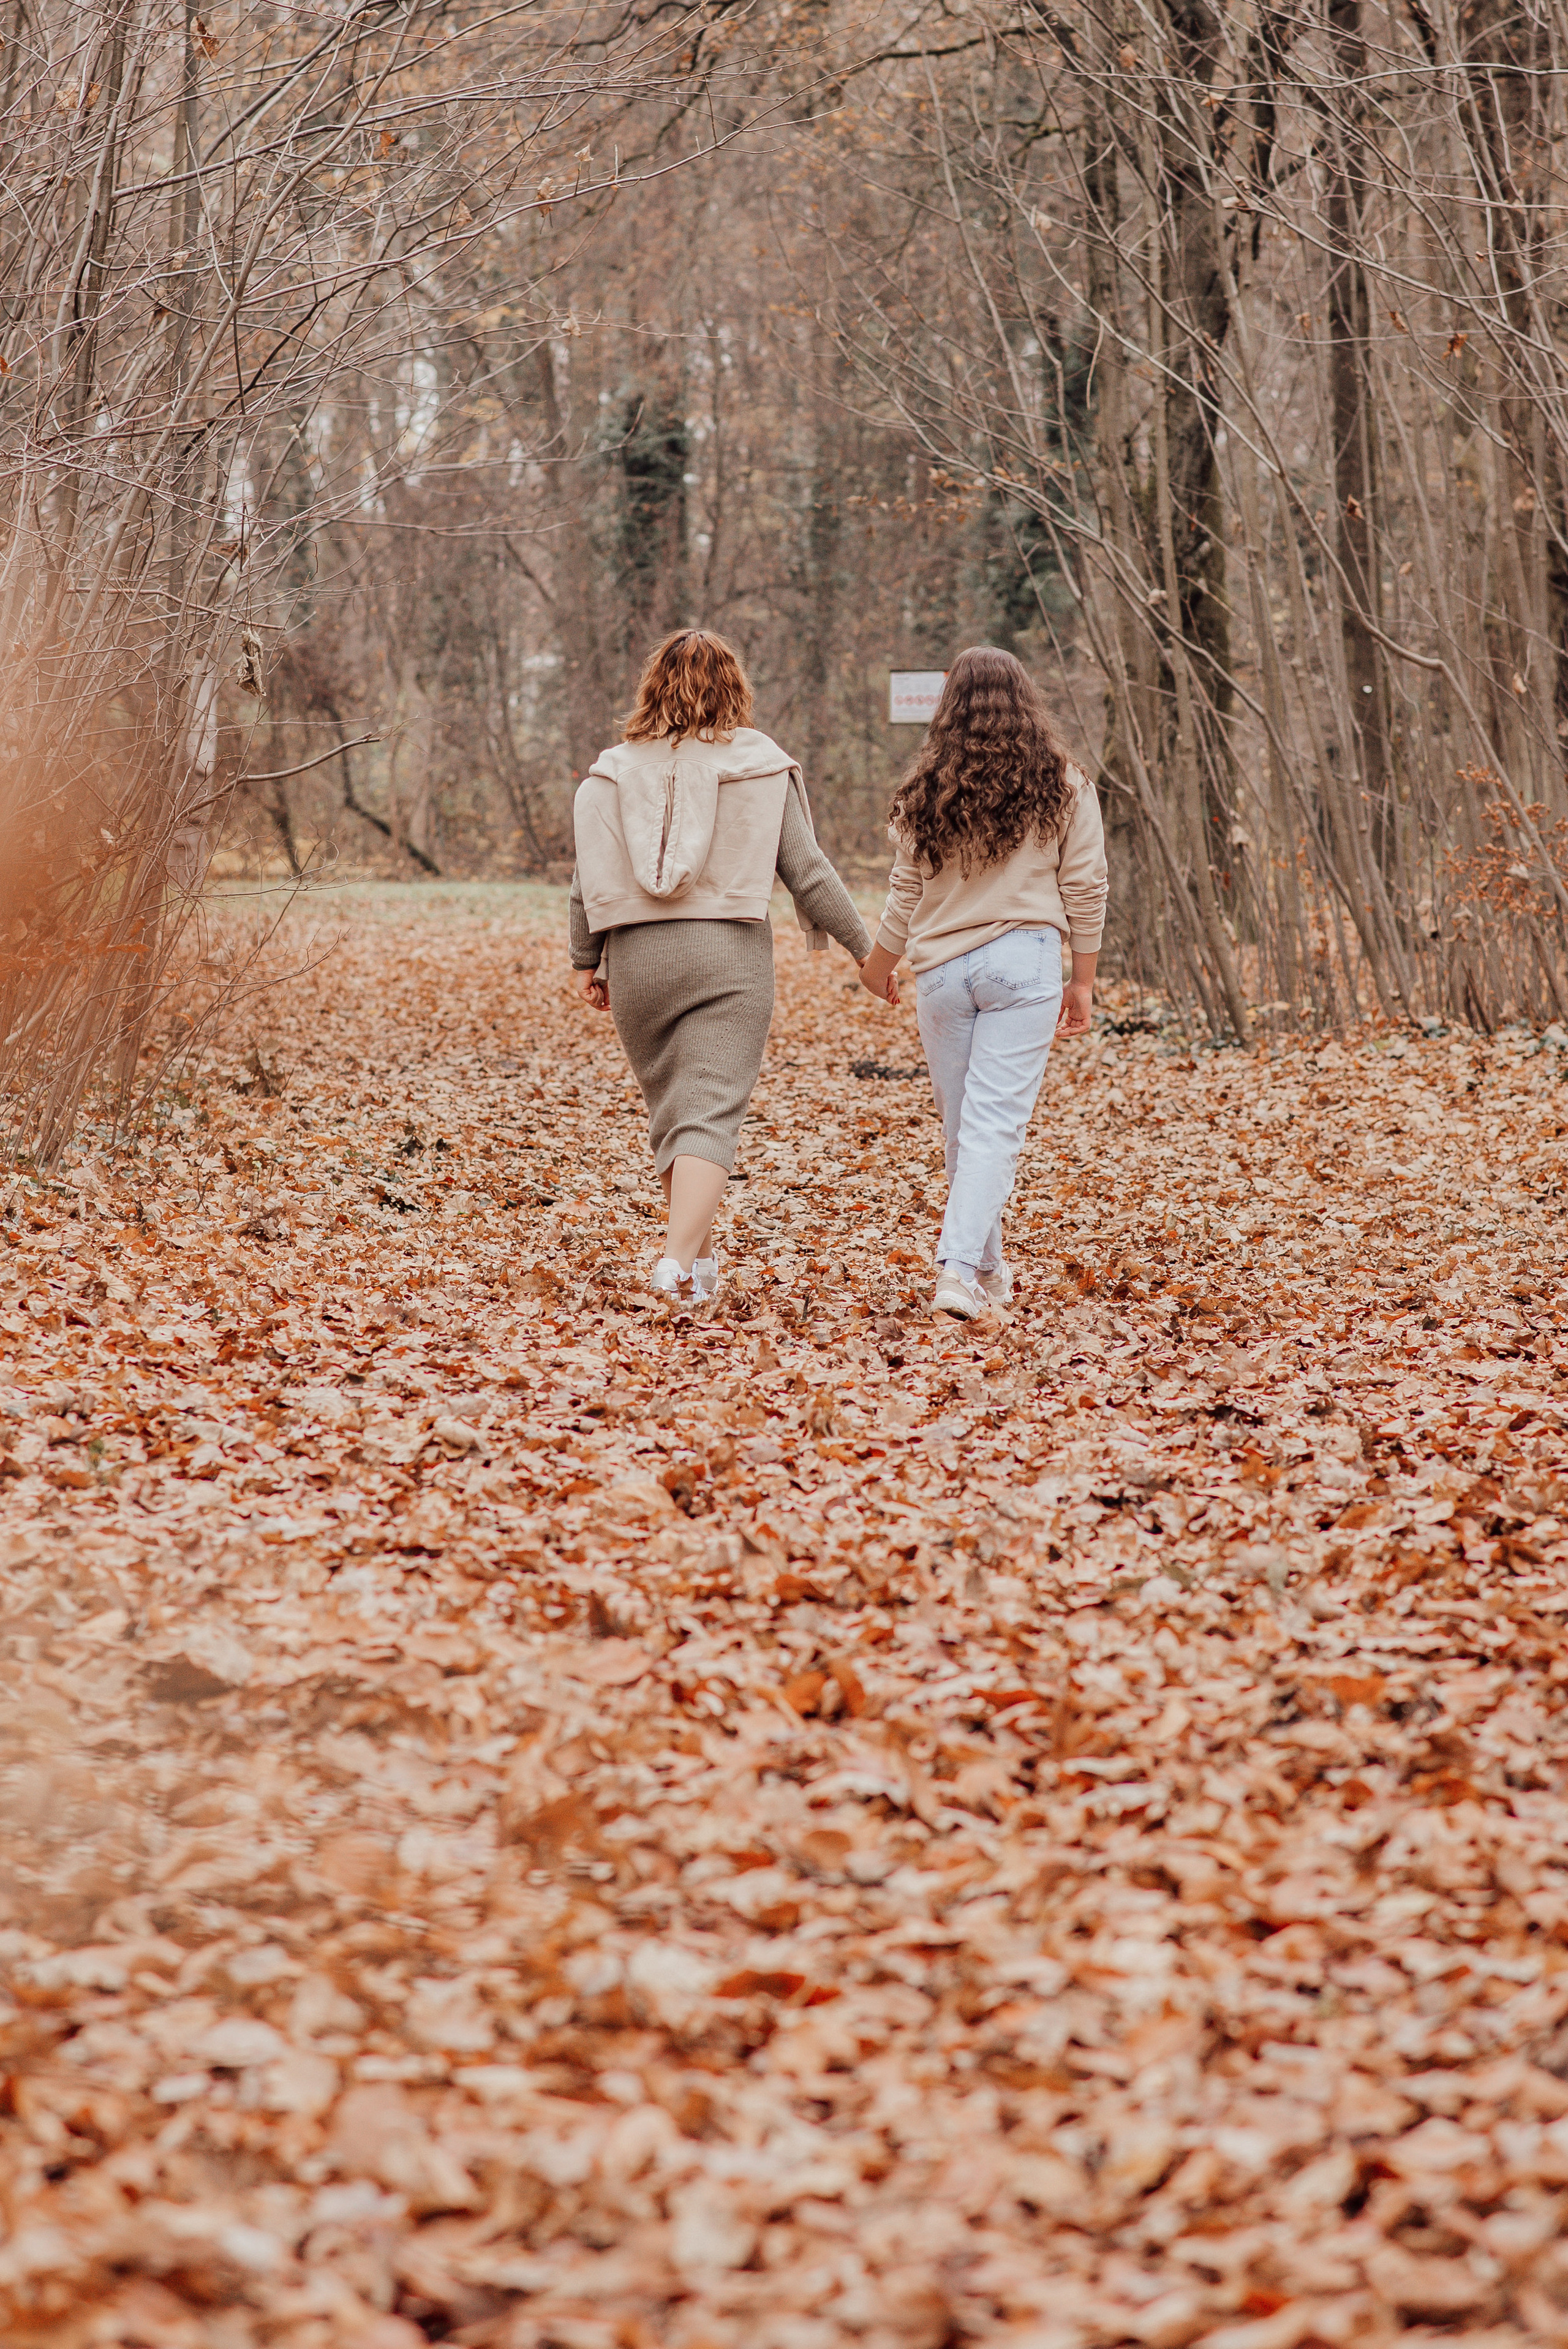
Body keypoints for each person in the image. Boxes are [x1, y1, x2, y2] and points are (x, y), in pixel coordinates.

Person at [570, 629, 884, 1301]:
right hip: (727, 957)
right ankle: (674, 1264)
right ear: (735, 687)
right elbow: (808, 870)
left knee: (674, 1114)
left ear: (652, 686)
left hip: (636, 960)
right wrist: (866, 947)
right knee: (707, 1114)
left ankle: (700, 1271)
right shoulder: (761, 764)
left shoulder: (612, 771)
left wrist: (584, 959)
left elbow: (584, 874)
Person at [858, 646, 1107, 1322]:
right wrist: (1081, 979)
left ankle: (986, 1272)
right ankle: (962, 1270)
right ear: (1026, 701)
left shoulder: (926, 789)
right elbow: (1085, 887)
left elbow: (904, 891)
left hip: (942, 969)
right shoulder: (1064, 783)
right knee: (990, 1129)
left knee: (963, 1130)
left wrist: (877, 966)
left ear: (949, 708)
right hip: (1023, 965)